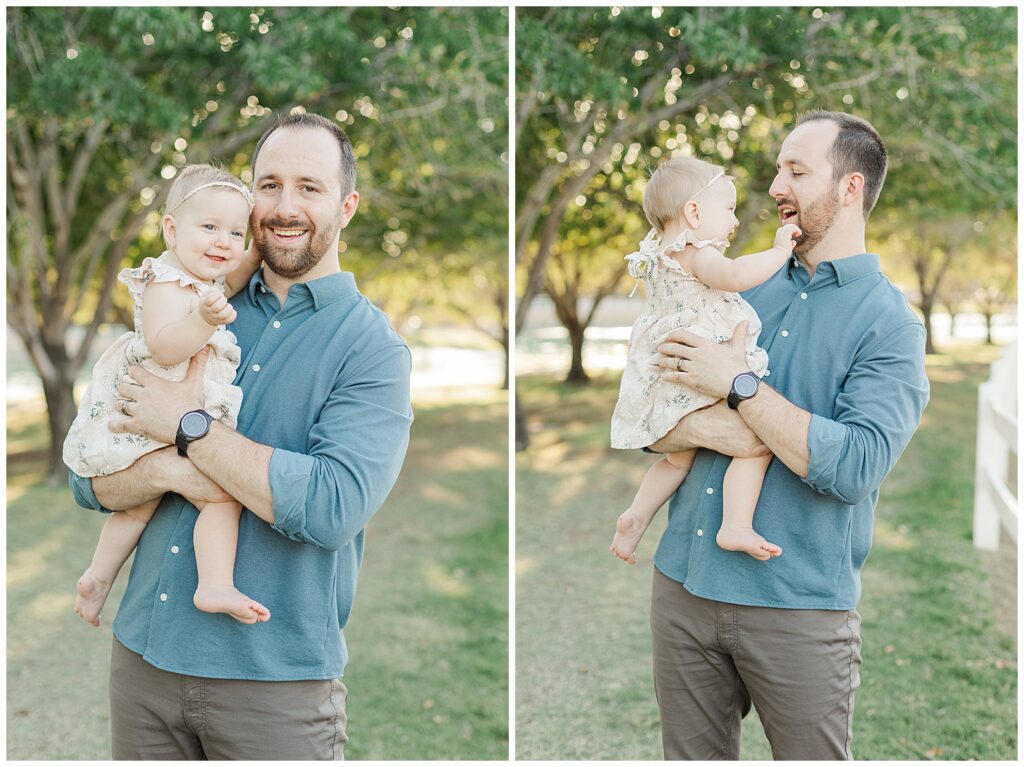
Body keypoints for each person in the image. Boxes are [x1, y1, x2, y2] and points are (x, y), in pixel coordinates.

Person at [68, 112, 413, 760]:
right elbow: (87, 477)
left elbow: (334, 506)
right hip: (142, 663)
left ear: (348, 204)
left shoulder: (374, 350)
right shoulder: (194, 305)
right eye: (269, 185)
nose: (284, 206)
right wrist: (168, 472)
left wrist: (186, 427)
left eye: (309, 187)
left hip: (273, 688)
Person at [643, 111, 929, 760]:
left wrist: (739, 385)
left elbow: (857, 466)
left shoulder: (891, 326)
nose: (776, 184)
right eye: (778, 168)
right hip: (684, 589)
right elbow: (655, 410)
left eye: (797, 171)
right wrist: (686, 418)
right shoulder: (739, 281)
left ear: (850, 188)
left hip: (798, 607)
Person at [66, 164, 270, 628]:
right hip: (150, 404)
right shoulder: (163, 280)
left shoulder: (206, 281)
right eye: (210, 227)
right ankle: (214, 582)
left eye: (236, 232)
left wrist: (258, 247)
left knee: (143, 503)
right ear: (172, 230)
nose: (223, 242)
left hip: (176, 412)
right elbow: (163, 345)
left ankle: (98, 578)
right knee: (221, 498)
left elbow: (234, 276)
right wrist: (204, 320)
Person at [609, 156, 801, 564]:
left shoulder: (659, 254)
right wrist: (779, 250)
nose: (734, 222)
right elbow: (734, 276)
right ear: (694, 212)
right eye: (729, 210)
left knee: (678, 459)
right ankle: (735, 526)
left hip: (672, 369)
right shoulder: (696, 252)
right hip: (704, 365)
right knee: (755, 445)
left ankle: (636, 516)